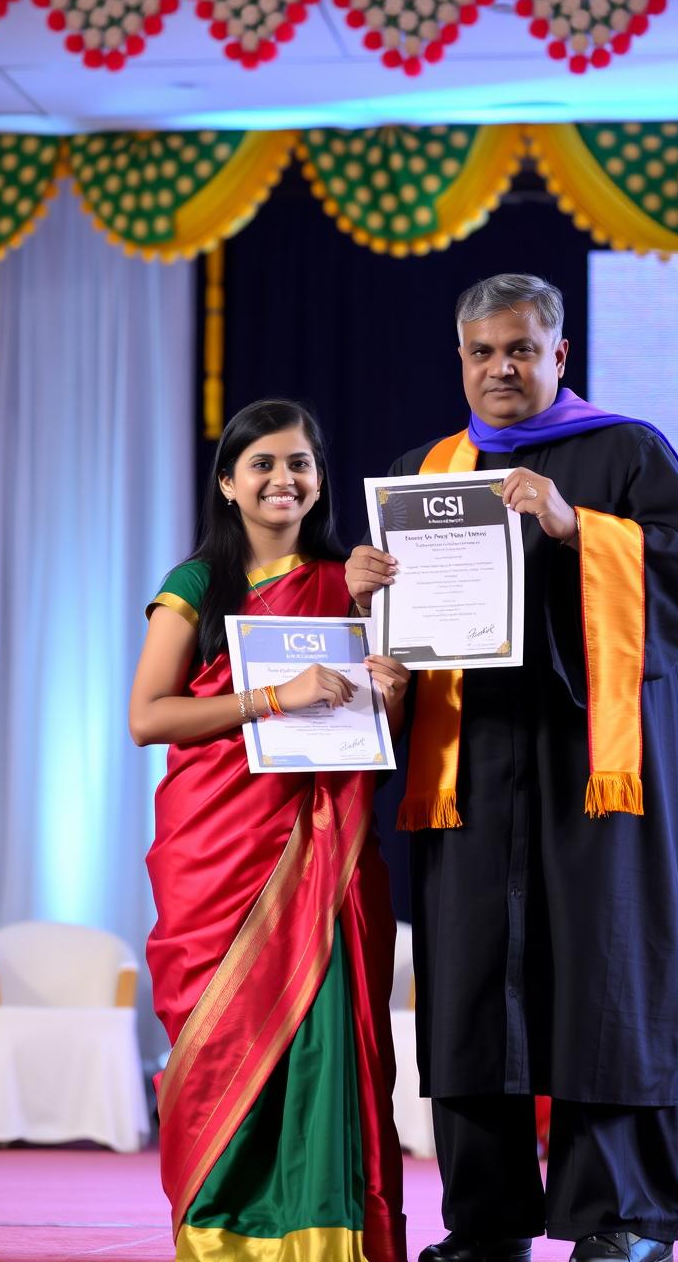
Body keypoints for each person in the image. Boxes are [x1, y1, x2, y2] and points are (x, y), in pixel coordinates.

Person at [345, 275, 678, 1262]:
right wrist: (366, 599)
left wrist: (576, 527)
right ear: (461, 358)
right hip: (470, 769)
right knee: (473, 991)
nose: (500, 367)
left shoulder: (624, 451)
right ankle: (487, 1217)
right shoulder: (428, 468)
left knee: (604, 980)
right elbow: (398, 645)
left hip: (591, 769)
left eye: (520, 348)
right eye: (481, 351)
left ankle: (624, 1215)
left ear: (559, 355)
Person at [130, 399, 409, 1262]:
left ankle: (324, 1237)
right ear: (228, 482)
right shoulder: (196, 585)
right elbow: (148, 717)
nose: (283, 479)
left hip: (325, 848)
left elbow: (378, 713)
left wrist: (392, 692)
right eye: (263, 464)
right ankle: (225, 1235)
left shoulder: (350, 580)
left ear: (320, 480)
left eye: (300, 464)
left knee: (326, 1037)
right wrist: (273, 698)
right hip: (217, 849)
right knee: (224, 1042)